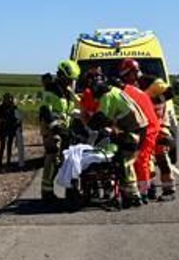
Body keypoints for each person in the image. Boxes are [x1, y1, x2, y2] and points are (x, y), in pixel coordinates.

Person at [87, 73, 148, 208]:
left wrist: (90, 126)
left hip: (134, 131)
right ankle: (130, 194)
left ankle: (132, 195)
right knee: (124, 159)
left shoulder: (106, 97)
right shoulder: (115, 91)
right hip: (139, 128)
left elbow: (101, 117)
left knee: (124, 161)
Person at [118, 61, 161, 202]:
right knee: (143, 159)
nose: (137, 74)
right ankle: (147, 187)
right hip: (142, 125)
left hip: (148, 127)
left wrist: (159, 107)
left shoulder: (139, 86)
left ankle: (144, 191)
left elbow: (167, 94)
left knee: (142, 158)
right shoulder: (132, 88)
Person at [37, 63, 79, 204]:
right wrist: (55, 126)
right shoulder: (51, 90)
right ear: (62, 76)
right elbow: (45, 111)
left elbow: (72, 109)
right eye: (70, 79)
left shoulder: (67, 92)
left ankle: (68, 188)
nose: (72, 82)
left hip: (64, 129)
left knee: (66, 158)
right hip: (52, 130)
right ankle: (47, 192)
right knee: (53, 155)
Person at [147, 78, 177, 199]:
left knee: (162, 160)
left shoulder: (155, 86)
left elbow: (169, 93)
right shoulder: (138, 91)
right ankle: (150, 188)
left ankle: (169, 190)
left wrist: (155, 100)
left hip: (159, 130)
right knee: (147, 161)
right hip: (148, 131)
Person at [0, 93, 21, 167]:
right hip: (3, 128)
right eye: (7, 98)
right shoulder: (1, 107)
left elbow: (18, 118)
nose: (8, 100)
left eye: (10, 98)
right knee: (2, 145)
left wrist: (17, 124)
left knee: (9, 146)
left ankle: (8, 162)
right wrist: (3, 120)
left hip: (11, 128)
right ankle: (0, 162)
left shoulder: (14, 107)